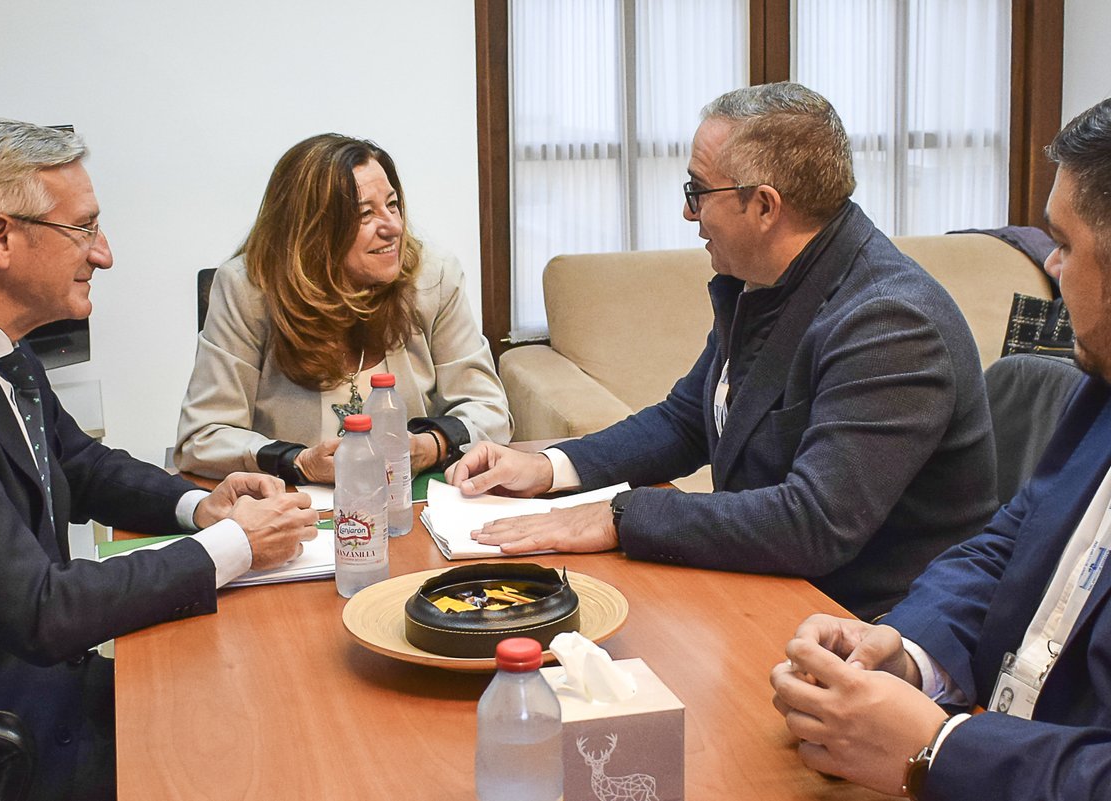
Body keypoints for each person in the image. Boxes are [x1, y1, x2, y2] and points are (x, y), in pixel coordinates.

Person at [447, 82, 996, 620]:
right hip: (778, 589)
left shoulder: (889, 324)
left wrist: (620, 515)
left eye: (697, 191)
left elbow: (813, 524)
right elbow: (689, 421)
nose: (689, 214)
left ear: (763, 206)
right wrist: (547, 468)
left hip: (869, 626)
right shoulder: (764, 280)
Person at [0, 119, 318, 801]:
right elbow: (40, 609)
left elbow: (81, 463)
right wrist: (233, 545)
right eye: (83, 228)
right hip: (6, 736)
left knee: (272, 701)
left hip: (45, 686)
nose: (103, 254)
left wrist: (197, 505)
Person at [770, 97, 1111, 801]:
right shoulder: (1100, 386)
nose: (1050, 263)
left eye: (1066, 244)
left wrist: (936, 748)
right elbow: (1006, 546)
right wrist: (906, 655)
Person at [174, 133, 512, 484]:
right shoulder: (248, 289)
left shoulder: (432, 277)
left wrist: (431, 445)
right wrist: (299, 461)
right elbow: (202, 438)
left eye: (393, 205)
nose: (394, 227)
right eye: (366, 214)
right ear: (311, 230)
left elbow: (490, 411)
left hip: (409, 502)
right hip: (294, 506)